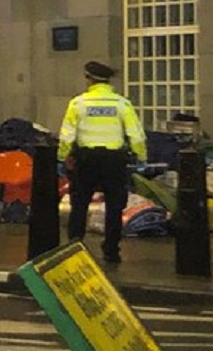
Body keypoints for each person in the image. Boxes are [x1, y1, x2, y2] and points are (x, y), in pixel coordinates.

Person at [58, 61, 148, 264]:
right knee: (115, 206)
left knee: (80, 204)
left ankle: (75, 245)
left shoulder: (78, 103)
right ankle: (111, 250)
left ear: (89, 79)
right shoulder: (121, 104)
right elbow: (136, 135)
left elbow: (66, 135)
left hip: (86, 160)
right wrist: (140, 157)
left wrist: (62, 157)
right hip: (114, 161)